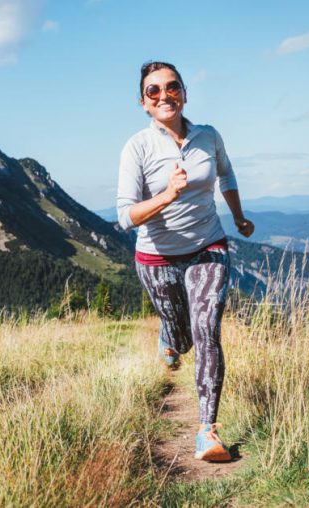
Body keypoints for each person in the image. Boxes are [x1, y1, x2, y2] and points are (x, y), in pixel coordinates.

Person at [116, 61, 254, 462]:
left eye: (172, 87)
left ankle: (207, 432)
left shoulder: (207, 136)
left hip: (208, 246)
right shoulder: (137, 148)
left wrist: (239, 216)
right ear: (143, 103)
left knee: (207, 328)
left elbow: (225, 176)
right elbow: (125, 216)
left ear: (185, 93)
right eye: (154, 91)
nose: (164, 95)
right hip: (156, 258)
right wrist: (166, 196)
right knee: (183, 336)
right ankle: (169, 337)